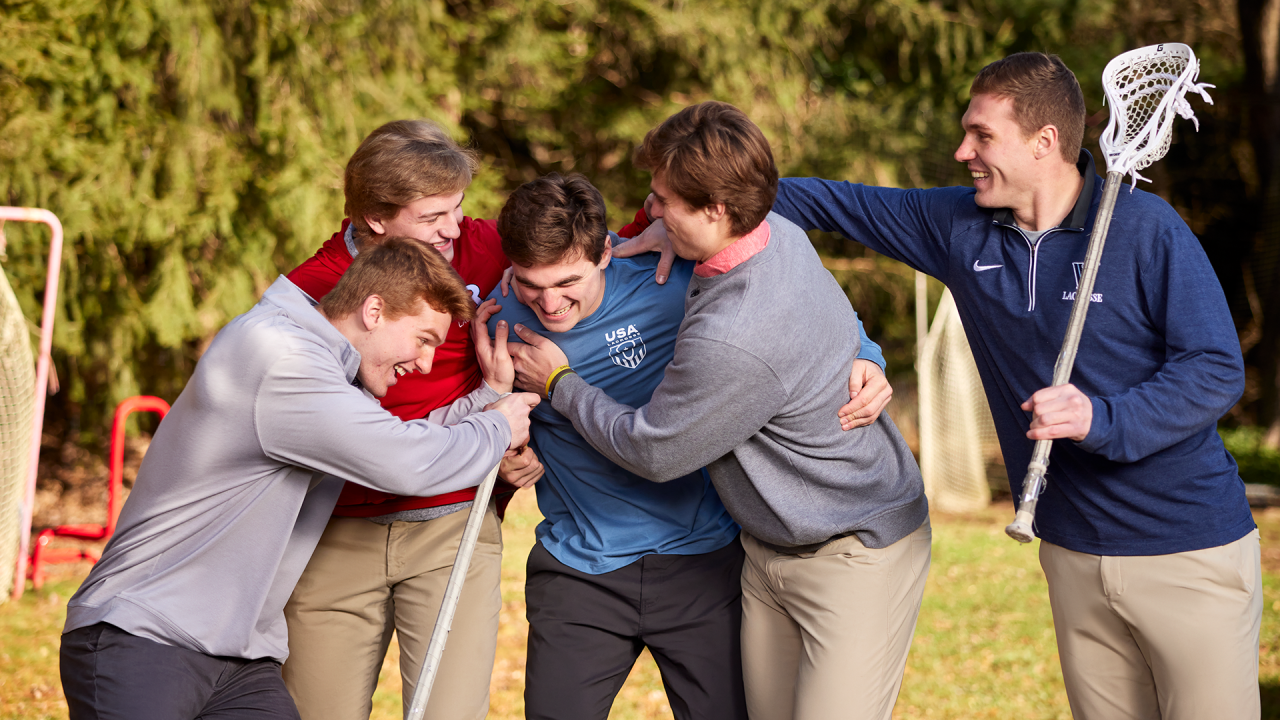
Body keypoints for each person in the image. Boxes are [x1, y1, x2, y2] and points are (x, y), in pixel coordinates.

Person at [764, 52, 1259, 719]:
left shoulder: (1146, 229)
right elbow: (818, 201)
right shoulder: (958, 225)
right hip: (1070, 550)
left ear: (1043, 141)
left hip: (1187, 549)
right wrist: (685, 209)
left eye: (982, 135)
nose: (962, 150)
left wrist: (1101, 418)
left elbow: (1216, 369)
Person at [509, 103, 931, 720]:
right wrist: (866, 350)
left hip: (852, 544)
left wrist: (559, 382)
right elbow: (830, 314)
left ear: (715, 210)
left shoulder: (731, 332)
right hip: (766, 547)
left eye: (662, 201)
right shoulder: (775, 231)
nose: (648, 211)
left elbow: (654, 450)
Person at [59, 237, 538, 719]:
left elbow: (391, 440)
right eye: (423, 339)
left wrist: (486, 400)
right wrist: (497, 427)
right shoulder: (282, 358)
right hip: (145, 637)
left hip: (239, 659)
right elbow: (405, 460)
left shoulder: (322, 370)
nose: (426, 363)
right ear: (374, 310)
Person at [281, 119, 653, 720]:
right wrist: (494, 423)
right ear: (375, 219)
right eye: (434, 219)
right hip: (336, 532)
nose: (455, 230)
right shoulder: (315, 291)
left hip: (455, 520)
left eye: (458, 209)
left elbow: (596, 248)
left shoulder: (483, 244)